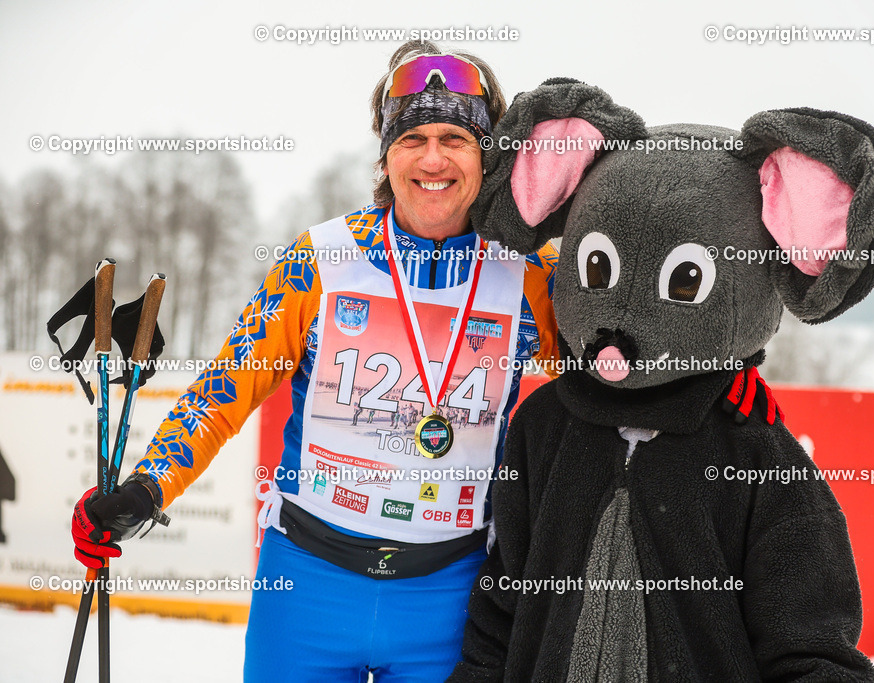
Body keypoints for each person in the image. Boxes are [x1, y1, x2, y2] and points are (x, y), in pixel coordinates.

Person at [70, 40, 559, 681]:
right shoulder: (321, 260)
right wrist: (146, 486)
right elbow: (225, 387)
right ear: (385, 152)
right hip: (305, 586)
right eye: (412, 138)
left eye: (454, 138)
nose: (433, 158)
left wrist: (728, 390)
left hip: (451, 596)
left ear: (485, 153)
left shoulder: (527, 276)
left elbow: (617, 373)